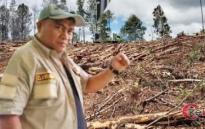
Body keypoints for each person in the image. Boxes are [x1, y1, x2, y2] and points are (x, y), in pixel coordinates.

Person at [0, 4, 130, 129]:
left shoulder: (64, 60)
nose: (65, 36)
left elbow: (89, 84)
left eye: (70, 30)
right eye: (59, 27)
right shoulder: (24, 57)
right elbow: (7, 115)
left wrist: (113, 69)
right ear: (40, 26)